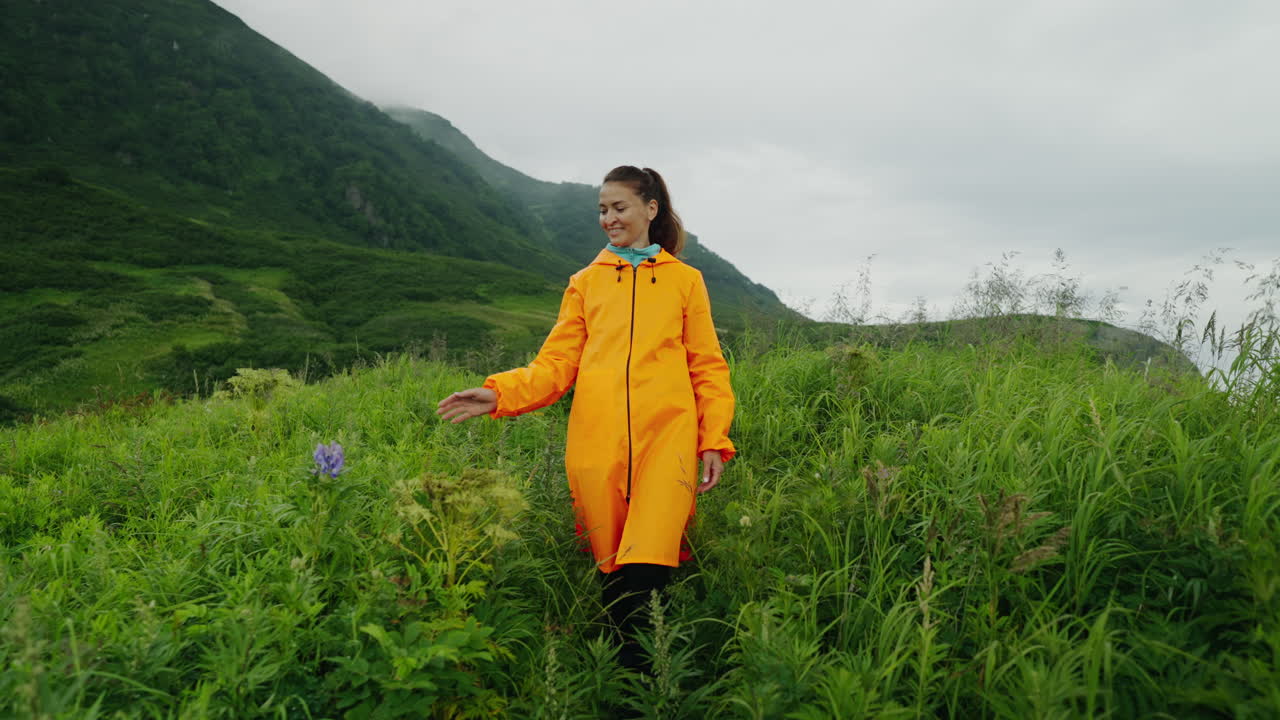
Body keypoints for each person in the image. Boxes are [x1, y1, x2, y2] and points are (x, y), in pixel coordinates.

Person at [436, 165, 736, 670]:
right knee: (614, 569)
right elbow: (556, 365)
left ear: (650, 209)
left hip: (670, 438)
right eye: (602, 209)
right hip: (598, 444)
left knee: (649, 558)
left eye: (618, 207)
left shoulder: (686, 282)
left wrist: (713, 439)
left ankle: (643, 679)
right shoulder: (585, 284)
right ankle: (627, 682)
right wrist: (499, 393)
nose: (608, 219)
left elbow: (707, 365)